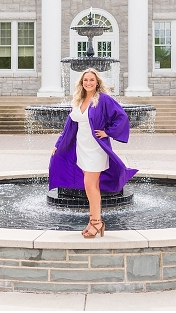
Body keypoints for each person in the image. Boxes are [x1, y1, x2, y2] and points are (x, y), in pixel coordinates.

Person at [49, 68, 137, 238]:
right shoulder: (79, 100)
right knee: (92, 186)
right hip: (81, 148)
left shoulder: (103, 99)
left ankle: (96, 222)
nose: (88, 83)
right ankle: (94, 221)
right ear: (81, 83)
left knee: (90, 185)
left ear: (97, 82)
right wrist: (58, 145)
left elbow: (122, 117)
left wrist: (108, 132)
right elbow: (69, 127)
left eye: (91, 80)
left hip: (96, 148)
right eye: (85, 80)